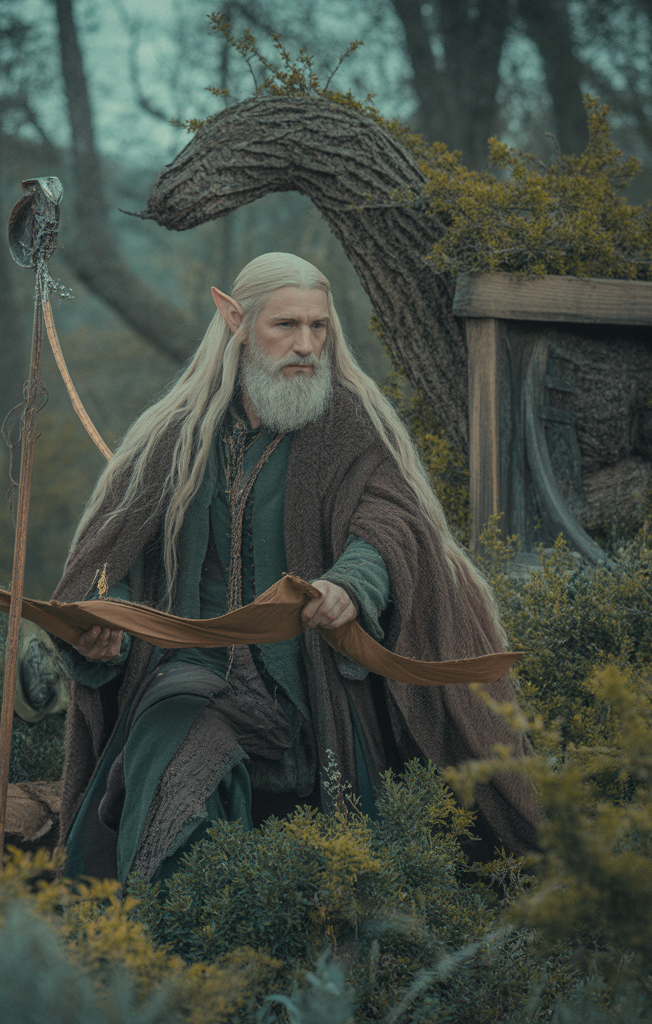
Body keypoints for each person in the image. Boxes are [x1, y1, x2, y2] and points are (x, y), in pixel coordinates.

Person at [52, 252, 537, 884]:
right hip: (191, 675)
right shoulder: (175, 438)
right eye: (286, 326)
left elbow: (392, 524)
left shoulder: (347, 426)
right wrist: (101, 629)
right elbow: (109, 555)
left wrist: (348, 586)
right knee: (171, 756)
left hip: (312, 684)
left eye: (319, 327)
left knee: (352, 874)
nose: (305, 345)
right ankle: (168, 949)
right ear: (236, 319)